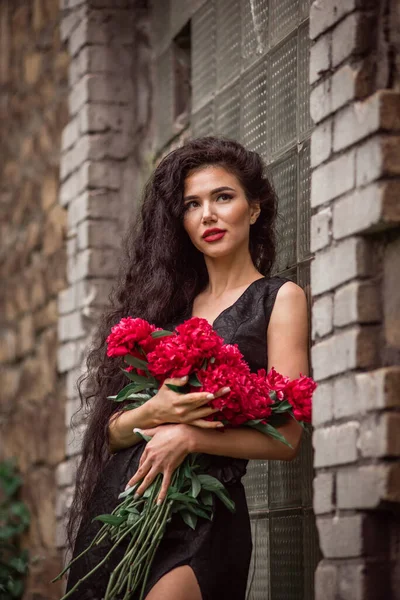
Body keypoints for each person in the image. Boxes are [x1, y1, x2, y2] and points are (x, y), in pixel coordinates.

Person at [65, 137, 309, 600]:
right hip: (125, 505)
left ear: (254, 209)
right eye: (192, 204)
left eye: (223, 197)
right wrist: (155, 411)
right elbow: (113, 434)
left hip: (204, 513)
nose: (207, 216)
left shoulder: (280, 299)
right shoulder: (165, 306)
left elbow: (289, 438)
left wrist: (192, 437)